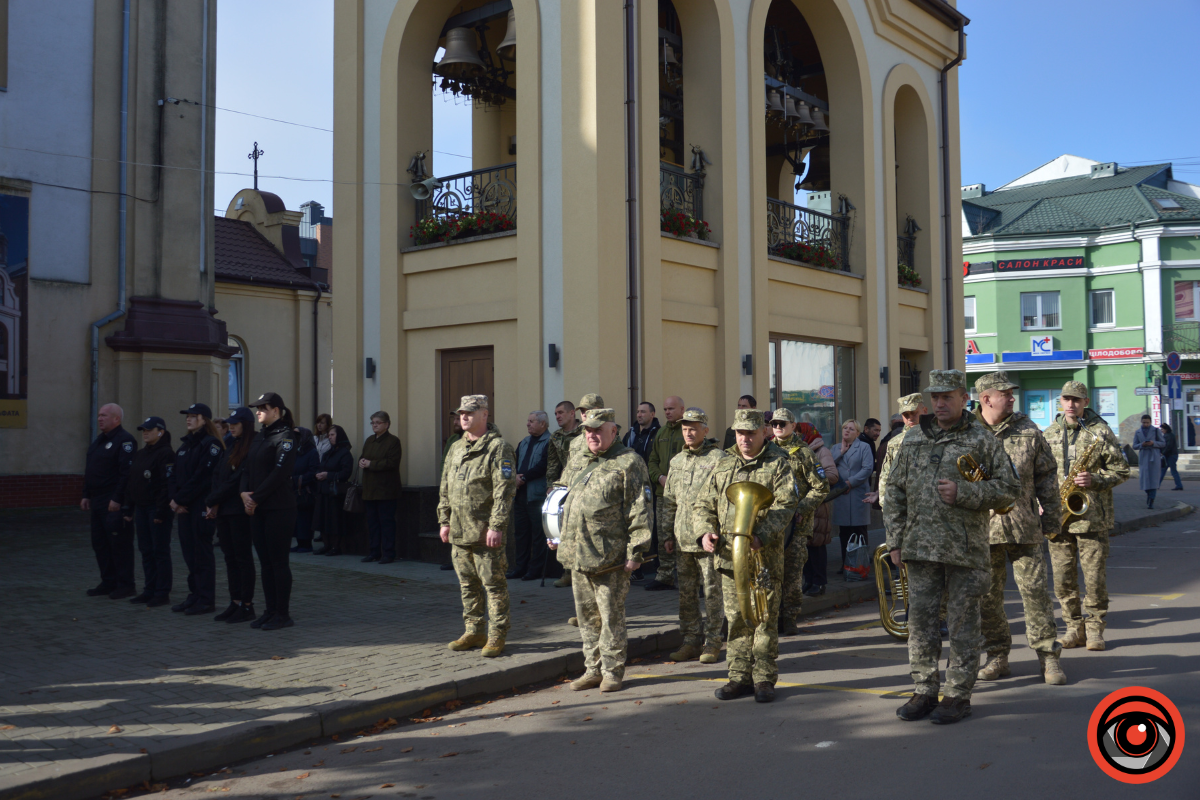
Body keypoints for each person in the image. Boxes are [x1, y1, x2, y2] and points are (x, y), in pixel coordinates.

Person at [885, 370, 1019, 725]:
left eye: (948, 397)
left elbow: (1009, 490)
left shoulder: (982, 439)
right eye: (936, 397)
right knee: (922, 624)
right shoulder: (912, 439)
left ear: (964, 399)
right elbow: (894, 491)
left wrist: (966, 493)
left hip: (964, 550)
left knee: (963, 625)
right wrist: (895, 540)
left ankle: (958, 694)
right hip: (919, 548)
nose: (940, 403)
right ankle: (924, 689)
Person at [696, 408, 798, 703]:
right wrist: (705, 532)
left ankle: (764, 678)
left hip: (764, 558)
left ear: (763, 432)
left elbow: (786, 506)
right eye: (740, 433)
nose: (744, 438)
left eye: (751, 433)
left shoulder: (778, 463)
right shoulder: (722, 463)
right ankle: (738, 676)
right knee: (737, 618)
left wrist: (762, 535)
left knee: (764, 619)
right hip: (730, 557)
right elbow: (703, 504)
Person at [971, 372, 1066, 686]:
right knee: (987, 598)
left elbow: (1047, 476)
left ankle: (1048, 658)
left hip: (1024, 527)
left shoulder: (1027, 429)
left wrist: (1052, 520)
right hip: (982, 532)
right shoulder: (966, 432)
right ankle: (997, 656)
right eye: (1006, 393)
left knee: (1036, 595)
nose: (1012, 398)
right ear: (986, 398)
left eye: (1012, 393)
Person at [551, 408, 651, 692]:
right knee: (586, 617)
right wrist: (557, 535)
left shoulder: (629, 463)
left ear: (613, 431)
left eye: (597, 430)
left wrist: (636, 551)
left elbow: (640, 509)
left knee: (610, 617)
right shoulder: (580, 460)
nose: (591, 435)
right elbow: (566, 500)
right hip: (578, 554)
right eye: (587, 430)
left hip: (610, 557)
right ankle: (592, 668)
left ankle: (612, 671)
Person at [1044, 381, 1130, 652]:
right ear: (1060, 400)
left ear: (1086, 402)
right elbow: (1037, 475)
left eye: (1077, 400)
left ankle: (1095, 630)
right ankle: (1072, 628)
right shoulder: (1048, 433)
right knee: (1063, 579)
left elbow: (1122, 470)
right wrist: (1038, 501)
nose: (1071, 404)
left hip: (1091, 517)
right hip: (1058, 517)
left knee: (1094, 578)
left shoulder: (1100, 432)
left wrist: (1094, 478)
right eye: (1067, 399)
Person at [439, 395, 518, 657]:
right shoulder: (456, 447)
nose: (463, 417)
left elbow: (504, 491)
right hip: (460, 530)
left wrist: (496, 525)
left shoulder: (498, 448)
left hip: (485, 532)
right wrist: (444, 520)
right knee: (468, 585)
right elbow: (445, 487)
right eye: (461, 413)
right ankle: (474, 630)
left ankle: (497, 634)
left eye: (470, 413)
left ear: (485, 415)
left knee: (493, 586)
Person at [662, 408, 727, 663]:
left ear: (705, 430)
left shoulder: (719, 458)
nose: (688, 432)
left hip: (708, 540)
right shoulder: (677, 461)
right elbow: (669, 501)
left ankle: (712, 642)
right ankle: (690, 640)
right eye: (685, 428)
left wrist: (717, 532)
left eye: (693, 428)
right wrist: (667, 534)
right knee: (686, 594)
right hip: (682, 539)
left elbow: (724, 500)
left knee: (712, 592)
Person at [767, 409, 829, 635]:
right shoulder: (766, 450)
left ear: (793, 426)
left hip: (796, 527)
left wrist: (802, 508)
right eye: (774, 423)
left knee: (792, 576)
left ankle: (790, 617)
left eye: (783, 424)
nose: (778, 427)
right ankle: (770, 618)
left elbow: (821, 486)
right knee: (770, 576)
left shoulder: (803, 453)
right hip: (770, 526)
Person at [242, 393, 298, 630]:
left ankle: (283, 614)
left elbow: (279, 473)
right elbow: (247, 468)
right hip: (258, 507)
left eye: (262, 408)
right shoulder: (260, 437)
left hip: (278, 508)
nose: (258, 412)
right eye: (257, 408)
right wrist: (243, 493)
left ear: (276, 410)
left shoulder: (286, 437)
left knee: (278, 562)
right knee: (265, 562)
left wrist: (254, 498)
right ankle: (270, 610)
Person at [169, 403, 224, 616]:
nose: (188, 419)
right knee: (189, 554)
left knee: (202, 554)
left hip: (200, 506)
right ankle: (194, 595)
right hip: (183, 508)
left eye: (193, 416)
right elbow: (173, 475)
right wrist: (174, 499)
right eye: (187, 416)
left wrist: (180, 499)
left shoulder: (211, 445)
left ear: (205, 420)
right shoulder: (185, 446)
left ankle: (206, 599)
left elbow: (201, 478)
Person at [204, 407, 258, 624]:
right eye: (230, 424)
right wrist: (214, 501)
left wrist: (212, 500)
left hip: (239, 511)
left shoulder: (251, 447)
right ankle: (235, 601)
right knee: (230, 558)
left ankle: (247, 605)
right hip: (224, 510)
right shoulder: (231, 444)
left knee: (242, 558)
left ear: (246, 424)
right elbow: (218, 474)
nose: (231, 427)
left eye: (236, 423)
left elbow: (235, 481)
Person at [83, 404, 138, 599]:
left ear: (116, 419)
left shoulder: (125, 441)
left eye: (104, 416)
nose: (99, 419)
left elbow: (126, 474)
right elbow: (91, 469)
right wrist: (86, 494)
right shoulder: (99, 441)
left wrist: (117, 498)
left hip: (112, 500)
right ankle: (108, 581)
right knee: (100, 543)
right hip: (97, 500)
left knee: (119, 543)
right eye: (98, 415)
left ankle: (125, 584)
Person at [546, 395, 602, 589]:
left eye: (561, 413)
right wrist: (553, 486)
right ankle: (568, 571)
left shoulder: (602, 433)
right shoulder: (565, 438)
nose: (585, 414)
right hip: (568, 486)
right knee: (567, 530)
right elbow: (557, 465)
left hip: (594, 491)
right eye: (583, 411)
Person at [123, 416, 174, 606]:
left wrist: (161, 511)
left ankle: (162, 592)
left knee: (159, 551)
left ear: (160, 432)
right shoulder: (141, 454)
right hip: (142, 509)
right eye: (143, 429)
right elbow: (132, 482)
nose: (145, 432)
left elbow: (165, 485)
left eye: (149, 429)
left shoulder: (166, 454)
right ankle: (149, 589)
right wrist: (128, 506)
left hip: (156, 509)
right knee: (146, 551)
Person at [646, 395, 686, 591]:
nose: (668, 412)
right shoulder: (661, 432)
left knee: (684, 534)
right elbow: (652, 461)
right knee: (664, 535)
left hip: (684, 495)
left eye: (671, 409)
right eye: (665, 409)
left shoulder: (687, 431)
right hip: (663, 494)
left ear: (682, 410)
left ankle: (687, 575)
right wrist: (659, 477)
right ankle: (665, 575)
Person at [507, 411, 551, 580]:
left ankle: (535, 570)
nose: (528, 424)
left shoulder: (549, 441)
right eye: (528, 421)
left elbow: (543, 466)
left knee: (538, 535)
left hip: (537, 496)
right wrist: (515, 476)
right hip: (520, 495)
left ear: (543, 424)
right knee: (521, 533)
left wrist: (523, 478)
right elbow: (513, 462)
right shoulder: (524, 442)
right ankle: (520, 567)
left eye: (532, 421)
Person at [799, 422, 839, 597]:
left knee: (817, 547)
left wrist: (811, 477)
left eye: (800, 433)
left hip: (818, 507)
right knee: (805, 546)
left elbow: (832, 475)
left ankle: (819, 582)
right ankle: (808, 581)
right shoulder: (799, 450)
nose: (798, 436)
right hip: (803, 505)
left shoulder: (821, 451)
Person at [359, 411, 403, 563]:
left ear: (387, 424)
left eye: (378, 422)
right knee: (372, 524)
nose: (374, 425)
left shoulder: (393, 441)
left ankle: (389, 553)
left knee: (386, 523)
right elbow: (363, 456)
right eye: (372, 422)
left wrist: (371, 464)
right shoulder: (369, 440)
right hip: (370, 489)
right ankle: (374, 552)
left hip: (386, 490)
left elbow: (392, 462)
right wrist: (362, 462)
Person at [832, 419, 874, 575]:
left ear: (857, 433)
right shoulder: (835, 448)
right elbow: (829, 467)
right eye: (845, 428)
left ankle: (861, 564)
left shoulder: (864, 447)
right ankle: (846, 564)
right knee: (844, 532)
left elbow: (867, 469)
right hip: (842, 495)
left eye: (851, 429)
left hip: (857, 494)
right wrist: (841, 452)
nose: (847, 431)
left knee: (859, 530)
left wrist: (850, 483)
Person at [313, 425, 354, 556]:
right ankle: (326, 545)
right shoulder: (328, 452)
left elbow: (346, 473)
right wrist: (318, 474)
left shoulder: (345, 453)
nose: (330, 437)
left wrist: (328, 475)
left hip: (335, 493)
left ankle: (336, 547)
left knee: (334, 520)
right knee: (323, 519)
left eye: (332, 435)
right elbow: (321, 466)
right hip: (323, 490)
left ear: (339, 436)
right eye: (329, 435)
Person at [291, 428, 319, 553]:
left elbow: (313, 472)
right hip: (295, 490)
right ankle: (299, 543)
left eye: (298, 435)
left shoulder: (312, 452)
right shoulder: (296, 451)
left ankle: (306, 544)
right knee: (297, 519)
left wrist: (298, 479)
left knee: (305, 519)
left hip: (306, 491)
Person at [1133, 415, 1164, 509]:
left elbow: (1163, 443)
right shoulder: (1138, 432)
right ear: (1141, 422)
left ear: (1150, 422)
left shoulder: (1156, 430)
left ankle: (1151, 499)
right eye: (1144, 422)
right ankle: (1149, 494)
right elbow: (1134, 446)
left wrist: (1153, 443)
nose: (1145, 424)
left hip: (1154, 456)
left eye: (1147, 422)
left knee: (1153, 479)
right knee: (1145, 479)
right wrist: (1142, 444)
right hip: (1143, 457)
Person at [1160, 422, 1184, 491]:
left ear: (1166, 430)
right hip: (1171, 455)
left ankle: (1179, 485)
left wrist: (1163, 453)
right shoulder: (1171, 435)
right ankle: (1179, 485)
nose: (1161, 430)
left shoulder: (1167, 436)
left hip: (1170, 456)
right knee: (1164, 470)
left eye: (1162, 429)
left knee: (1170, 471)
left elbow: (1168, 447)